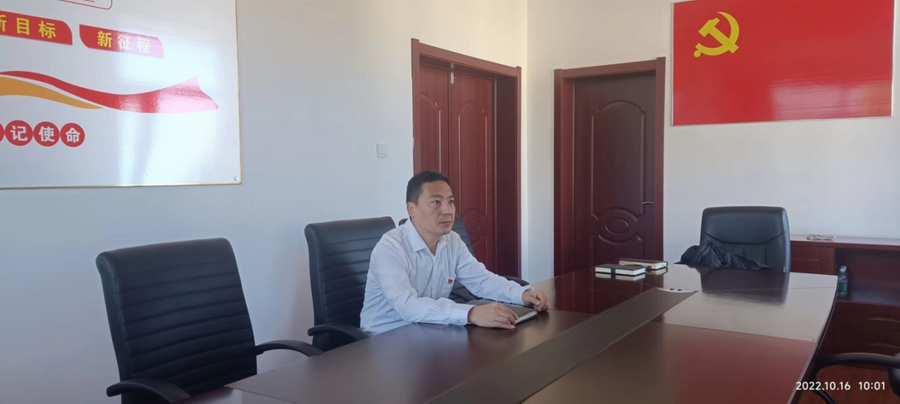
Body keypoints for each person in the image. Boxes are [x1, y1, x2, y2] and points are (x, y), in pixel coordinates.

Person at [360, 171, 549, 334]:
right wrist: (471, 313)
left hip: (428, 329)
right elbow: (407, 306)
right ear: (411, 209)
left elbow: (481, 280)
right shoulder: (390, 248)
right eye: (436, 202)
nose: (447, 210)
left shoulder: (451, 241)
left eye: (450, 201)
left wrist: (522, 294)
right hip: (384, 338)